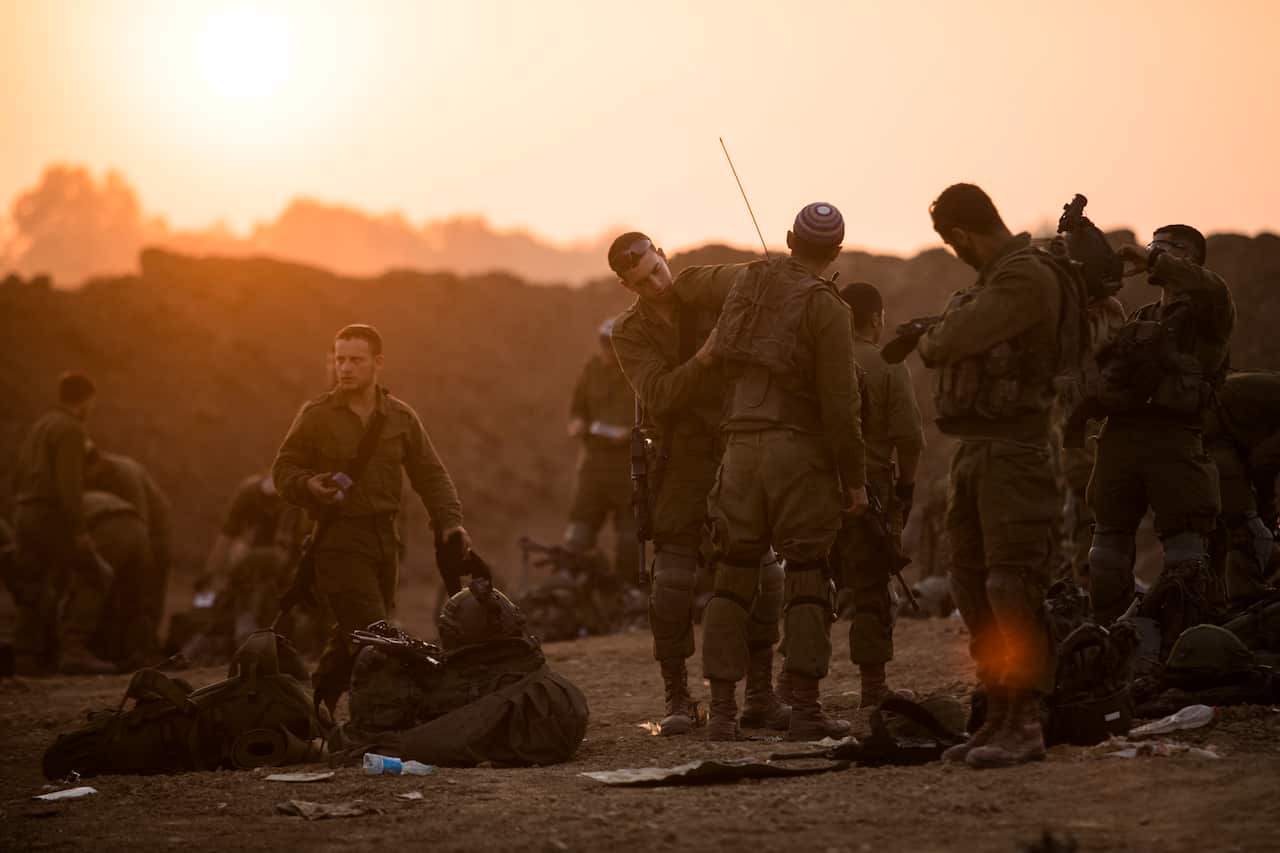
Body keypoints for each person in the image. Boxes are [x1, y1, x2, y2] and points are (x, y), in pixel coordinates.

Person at [673, 202, 868, 741]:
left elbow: (688, 283)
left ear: (787, 238)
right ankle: (803, 710)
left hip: (738, 451)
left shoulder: (745, 284)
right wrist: (854, 480)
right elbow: (840, 403)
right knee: (807, 575)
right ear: (836, 252)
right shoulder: (828, 308)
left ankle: (725, 714)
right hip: (797, 454)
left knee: (731, 578)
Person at [902, 184, 1076, 767]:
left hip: (1020, 455)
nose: (954, 254)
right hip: (980, 451)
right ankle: (997, 713)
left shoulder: (1024, 277)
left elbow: (953, 339)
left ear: (964, 233)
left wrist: (933, 333)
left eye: (952, 243)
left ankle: (1025, 721)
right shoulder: (995, 279)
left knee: (1011, 584)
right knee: (972, 583)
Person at [610, 232, 789, 737]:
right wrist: (708, 357)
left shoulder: (699, 287)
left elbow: (749, 278)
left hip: (735, 446)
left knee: (763, 576)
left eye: (657, 268)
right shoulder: (630, 332)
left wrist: (772, 275)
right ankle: (678, 697)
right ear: (627, 284)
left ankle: (760, 695)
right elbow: (661, 395)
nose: (657, 283)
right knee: (671, 585)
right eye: (643, 280)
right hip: (677, 459)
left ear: (663, 255)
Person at [272, 324, 470, 714]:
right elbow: (283, 470)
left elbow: (430, 474)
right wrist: (309, 485)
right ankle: (380, 718)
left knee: (356, 633)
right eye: (339, 359)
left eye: (355, 360)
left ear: (377, 363)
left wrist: (450, 522)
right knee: (376, 634)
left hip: (387, 540)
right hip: (339, 541)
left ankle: (315, 706)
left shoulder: (399, 417)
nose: (344, 368)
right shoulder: (316, 416)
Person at [1086, 225, 1236, 647]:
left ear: (1191, 257)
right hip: (1122, 437)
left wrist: (1150, 260)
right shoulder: (1141, 317)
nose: (1157, 253)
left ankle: (1187, 649)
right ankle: (1109, 647)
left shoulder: (1212, 303)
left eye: (1169, 247)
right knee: (1105, 554)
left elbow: (1207, 287)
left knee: (1186, 552)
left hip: (1175, 440)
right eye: (1154, 245)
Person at [836, 281, 925, 707]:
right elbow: (910, 439)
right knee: (872, 585)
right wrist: (905, 489)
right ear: (876, 318)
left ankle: (794, 690)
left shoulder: (818, 360)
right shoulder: (889, 365)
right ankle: (873, 688)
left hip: (814, 487)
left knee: (808, 583)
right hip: (872, 486)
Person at [9, 372, 113, 675]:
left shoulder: (40, 425)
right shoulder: (71, 428)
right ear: (86, 399)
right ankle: (74, 650)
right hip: (49, 516)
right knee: (94, 573)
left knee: (33, 582)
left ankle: (25, 659)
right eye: (93, 402)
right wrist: (80, 531)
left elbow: (18, 471)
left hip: (23, 511)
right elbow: (70, 484)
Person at [83, 444, 173, 664]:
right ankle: (119, 646)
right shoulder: (95, 475)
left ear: (94, 463)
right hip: (132, 531)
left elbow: (140, 520)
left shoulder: (124, 473)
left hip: (154, 536)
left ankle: (144, 650)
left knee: (146, 593)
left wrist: (141, 562)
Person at [563, 319, 638, 580]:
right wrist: (577, 425)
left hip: (627, 468)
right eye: (604, 344)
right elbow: (576, 410)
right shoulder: (591, 371)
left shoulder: (638, 373)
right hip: (593, 465)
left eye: (612, 344)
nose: (607, 350)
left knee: (629, 538)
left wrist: (629, 433)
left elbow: (656, 423)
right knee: (579, 530)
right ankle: (573, 587)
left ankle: (628, 592)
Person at [1204, 371, 1280, 603]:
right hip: (1212, 432)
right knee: (1246, 533)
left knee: (1228, 537)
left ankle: (1222, 602)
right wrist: (1268, 510)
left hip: (1215, 426)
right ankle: (1243, 607)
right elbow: (1261, 463)